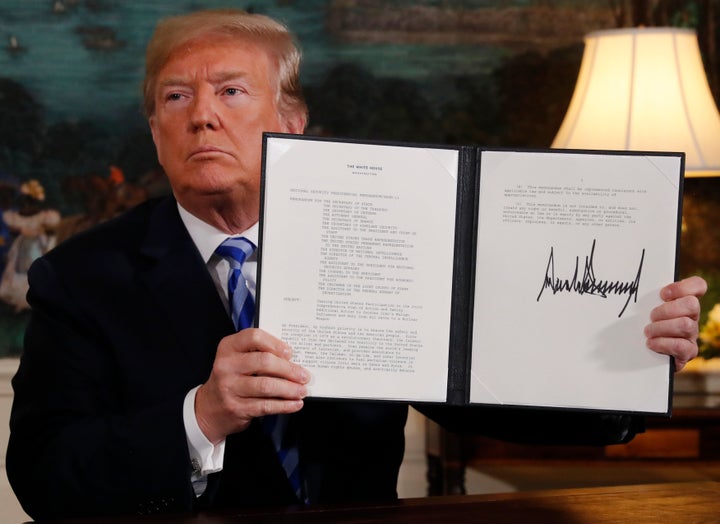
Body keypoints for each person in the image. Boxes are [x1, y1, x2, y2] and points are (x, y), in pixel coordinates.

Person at [5, 9, 707, 521]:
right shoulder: (81, 278)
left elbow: (487, 392)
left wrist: (629, 363)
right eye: (175, 97)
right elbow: (43, 478)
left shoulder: (387, 236)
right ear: (156, 133)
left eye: (230, 91)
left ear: (292, 119)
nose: (202, 117)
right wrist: (202, 417)